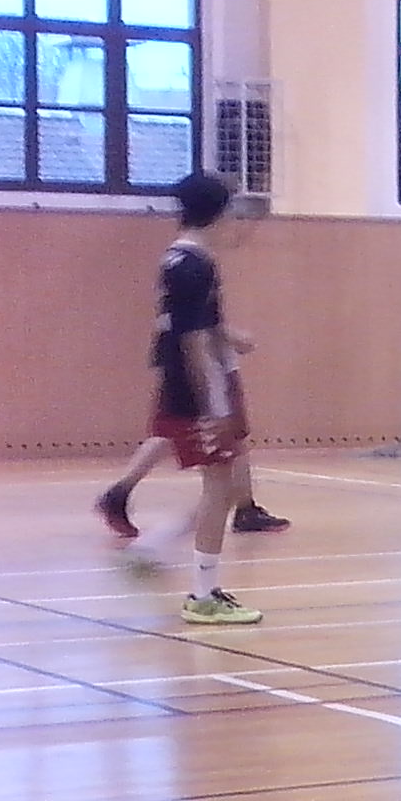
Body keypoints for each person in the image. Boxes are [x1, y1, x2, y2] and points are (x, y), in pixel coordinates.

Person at [140, 171, 262, 627]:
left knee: (223, 485)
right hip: (195, 391)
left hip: (177, 383)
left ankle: (157, 551)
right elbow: (192, 340)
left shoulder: (178, 257)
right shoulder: (196, 265)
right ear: (219, 212)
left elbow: (195, 323)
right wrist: (215, 405)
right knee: (221, 486)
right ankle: (202, 594)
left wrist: (227, 334)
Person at [98, 334, 289, 541]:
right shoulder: (197, 327)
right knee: (223, 468)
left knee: (168, 434)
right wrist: (232, 339)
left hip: (181, 370)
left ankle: (119, 494)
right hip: (204, 373)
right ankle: (157, 541)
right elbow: (202, 329)